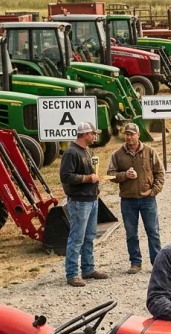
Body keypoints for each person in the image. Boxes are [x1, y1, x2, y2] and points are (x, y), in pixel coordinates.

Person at [107, 122, 165, 274]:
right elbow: (111, 174)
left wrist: (154, 190)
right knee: (131, 233)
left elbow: (160, 172)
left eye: (132, 134)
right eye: (126, 134)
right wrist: (124, 175)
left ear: (138, 135)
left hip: (148, 199)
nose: (129, 137)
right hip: (128, 200)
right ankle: (135, 262)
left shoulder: (150, 151)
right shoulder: (117, 154)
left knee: (153, 231)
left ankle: (156, 262)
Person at [59, 121, 108, 287]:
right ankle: (72, 274)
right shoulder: (71, 153)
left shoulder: (87, 151)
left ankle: (88, 269)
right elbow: (66, 177)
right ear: (85, 134)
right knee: (77, 238)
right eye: (93, 133)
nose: (95, 136)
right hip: (79, 201)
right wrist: (87, 179)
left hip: (91, 199)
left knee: (89, 237)